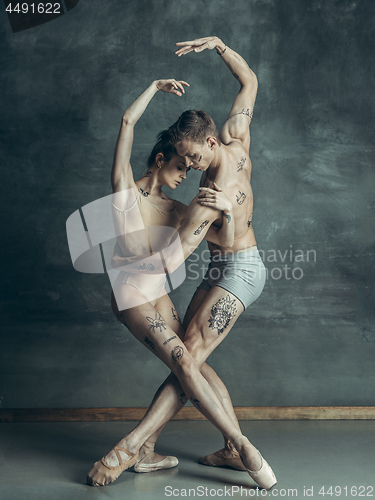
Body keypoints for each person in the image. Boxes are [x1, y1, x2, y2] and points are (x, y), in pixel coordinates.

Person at [87, 37, 277, 491]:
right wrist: (219, 46)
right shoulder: (233, 143)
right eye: (182, 161)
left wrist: (224, 214)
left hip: (238, 270)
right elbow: (249, 80)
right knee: (190, 360)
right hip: (197, 278)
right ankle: (224, 448)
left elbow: (197, 247)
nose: (189, 168)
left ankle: (135, 446)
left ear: (210, 142)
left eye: (192, 158)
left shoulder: (202, 200)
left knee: (188, 359)